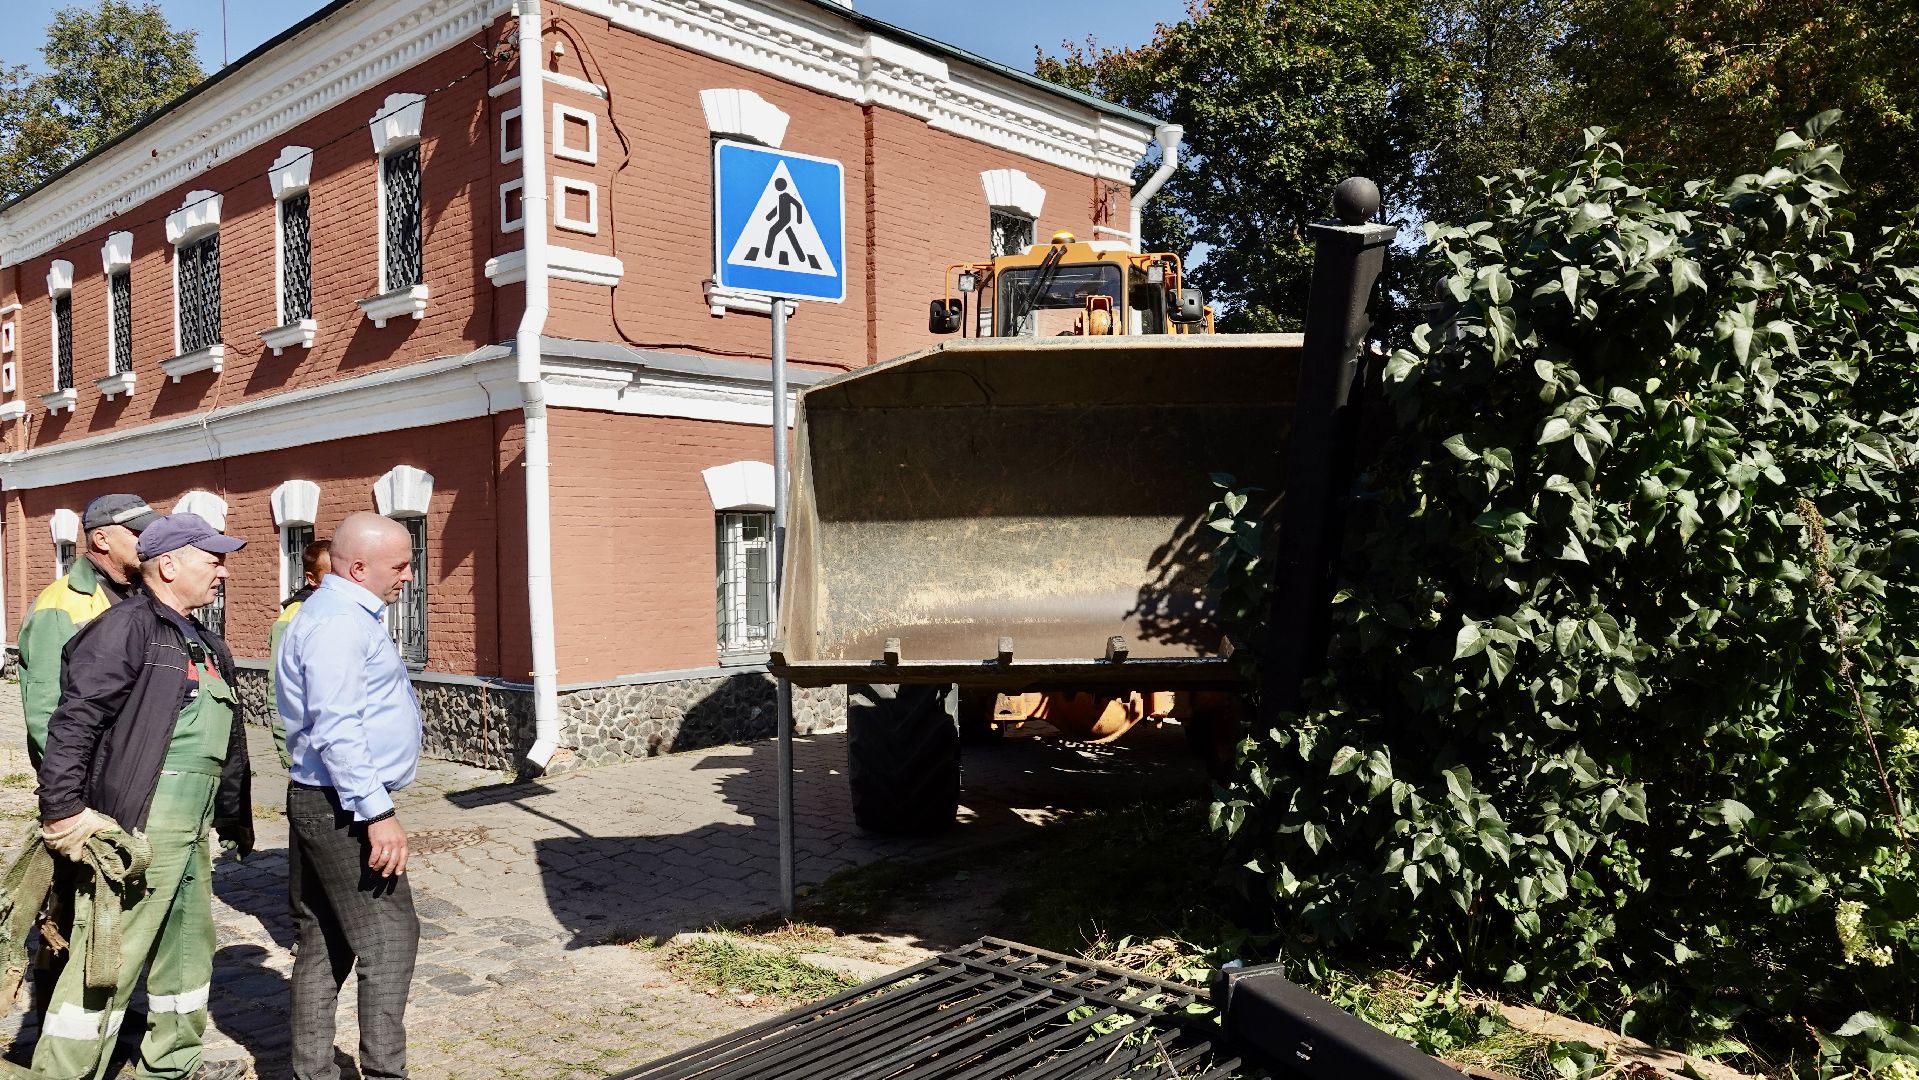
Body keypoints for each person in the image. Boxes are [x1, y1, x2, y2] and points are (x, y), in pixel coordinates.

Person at [33, 512, 254, 1080]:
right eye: (213, 560)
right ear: (169, 564)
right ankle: (64, 1072)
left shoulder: (203, 640)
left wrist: (234, 817)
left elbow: (225, 746)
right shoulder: (127, 628)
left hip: (192, 831)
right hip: (140, 825)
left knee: (187, 952)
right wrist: (61, 812)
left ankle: (172, 1064)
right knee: (110, 957)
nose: (224, 572)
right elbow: (74, 722)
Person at [278, 512, 423, 1080]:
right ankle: (386, 1072)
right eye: (400, 565)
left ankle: (312, 1071)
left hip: (329, 798)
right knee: (391, 937)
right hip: (342, 805)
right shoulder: (339, 621)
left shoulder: (344, 613)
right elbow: (336, 726)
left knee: (325, 939)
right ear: (359, 566)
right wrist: (378, 812)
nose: (409, 575)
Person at [17, 493, 160, 766]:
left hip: (135, 765)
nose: (148, 540)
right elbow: (46, 707)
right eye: (137, 532)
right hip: (91, 772)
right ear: (101, 539)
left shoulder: (145, 593)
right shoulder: (60, 604)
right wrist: (65, 787)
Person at [267, 539, 333, 767]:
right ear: (311, 578)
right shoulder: (292, 619)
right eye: (331, 577)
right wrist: (292, 758)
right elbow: (278, 691)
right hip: (310, 753)